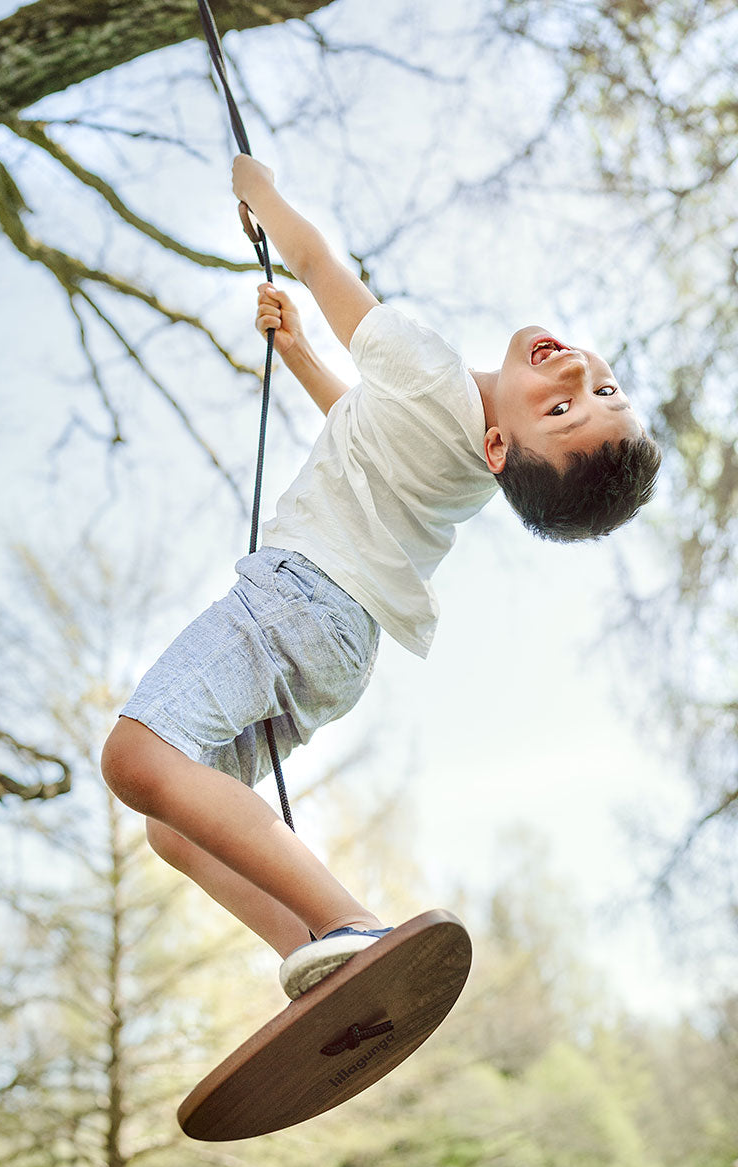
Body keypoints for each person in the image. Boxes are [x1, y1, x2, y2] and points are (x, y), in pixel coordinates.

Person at [101, 156, 661, 1001]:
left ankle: (350, 922)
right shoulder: (470, 460)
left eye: (562, 406)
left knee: (137, 757)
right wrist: (293, 351)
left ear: (507, 449)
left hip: (300, 600)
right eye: (601, 387)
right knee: (175, 826)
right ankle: (324, 959)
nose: (577, 373)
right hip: (341, 648)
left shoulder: (433, 372)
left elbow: (321, 268)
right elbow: (360, 421)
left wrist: (262, 197)